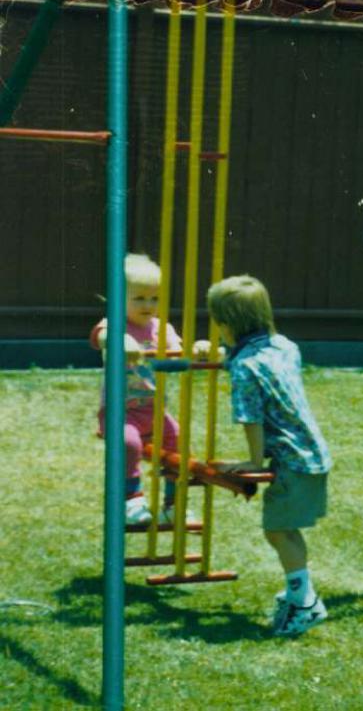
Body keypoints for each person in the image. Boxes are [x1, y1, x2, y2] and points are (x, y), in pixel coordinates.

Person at [207, 274, 332, 638]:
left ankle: (305, 602)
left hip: (292, 459)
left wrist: (253, 462)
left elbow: (252, 419)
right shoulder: (284, 345)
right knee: (286, 529)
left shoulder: (245, 368)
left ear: (226, 325)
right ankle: (299, 591)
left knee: (277, 529)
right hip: (312, 452)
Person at [91, 253, 182, 525]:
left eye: (154, 298)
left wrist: (193, 351)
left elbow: (177, 351)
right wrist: (120, 340)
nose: (148, 304)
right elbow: (100, 336)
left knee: (176, 438)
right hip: (121, 412)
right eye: (139, 298)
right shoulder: (114, 324)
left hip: (154, 410)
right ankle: (132, 500)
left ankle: (172, 503)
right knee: (128, 443)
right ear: (119, 297)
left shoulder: (161, 328)